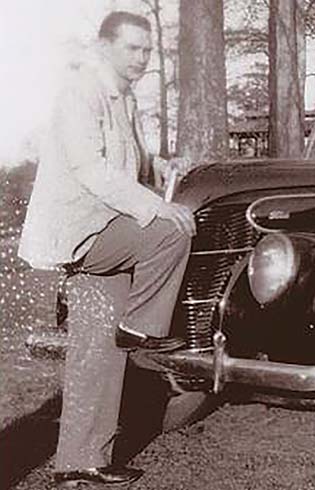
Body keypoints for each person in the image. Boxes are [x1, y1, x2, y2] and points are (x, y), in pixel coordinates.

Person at [18, 10, 196, 487]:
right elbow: (91, 169)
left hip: (109, 230)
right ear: (104, 47)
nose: (141, 58)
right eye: (131, 48)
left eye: (146, 50)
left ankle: (81, 464)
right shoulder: (81, 92)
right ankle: (140, 329)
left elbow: (131, 160)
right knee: (174, 230)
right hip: (82, 232)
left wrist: (160, 164)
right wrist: (157, 207)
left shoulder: (125, 100)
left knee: (96, 355)